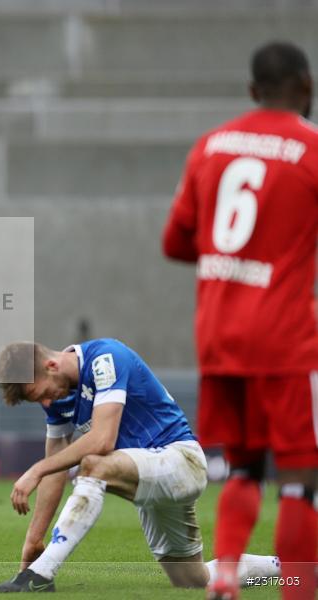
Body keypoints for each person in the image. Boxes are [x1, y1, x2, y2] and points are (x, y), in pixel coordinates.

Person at [162, 40, 318, 600]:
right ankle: (301, 589)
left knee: (245, 467)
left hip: (220, 336)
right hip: (285, 339)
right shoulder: (311, 147)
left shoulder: (211, 146)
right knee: (302, 483)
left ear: (253, 91)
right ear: (307, 86)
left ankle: (225, 576)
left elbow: (176, 241)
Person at [0, 339, 280, 593]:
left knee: (93, 464)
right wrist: (33, 539)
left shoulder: (105, 358)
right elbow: (55, 469)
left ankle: (43, 575)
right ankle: (289, 572)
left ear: (52, 365)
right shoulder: (57, 399)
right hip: (147, 476)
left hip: (181, 461)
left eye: (42, 393)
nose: (44, 402)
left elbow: (103, 439)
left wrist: (35, 469)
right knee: (191, 578)